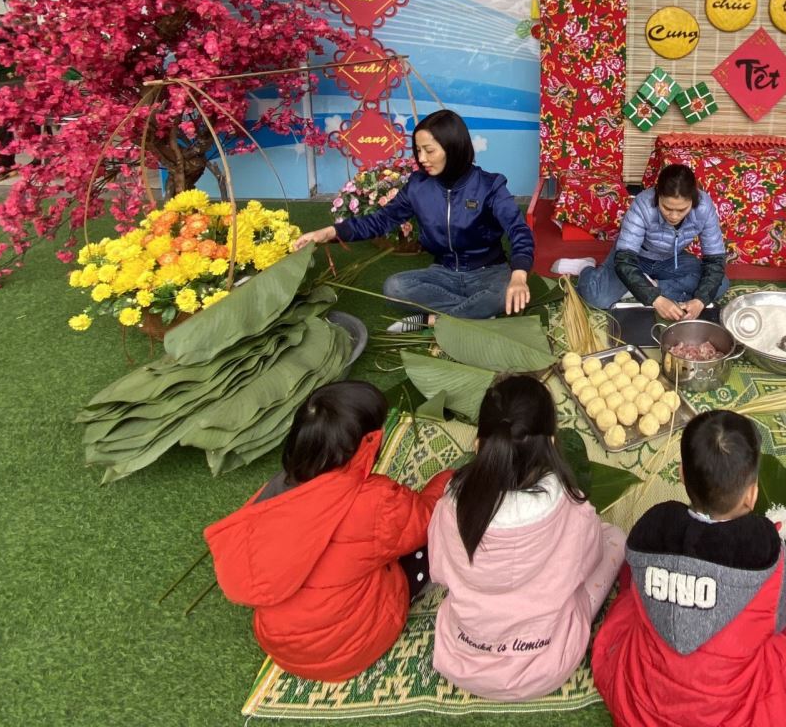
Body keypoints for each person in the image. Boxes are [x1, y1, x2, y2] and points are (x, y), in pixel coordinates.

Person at [203, 381, 451, 682]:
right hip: (349, 646)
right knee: (436, 536)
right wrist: (448, 479)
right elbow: (426, 518)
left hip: (284, 648)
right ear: (367, 443)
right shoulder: (374, 502)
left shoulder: (276, 491)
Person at [591, 410, 786, 727]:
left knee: (632, 585)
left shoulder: (653, 531)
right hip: (734, 711)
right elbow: (780, 619)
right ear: (752, 494)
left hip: (644, 702)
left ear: (681, 475)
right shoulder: (767, 552)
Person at [428, 375, 626, 700]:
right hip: (548, 663)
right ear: (551, 443)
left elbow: (439, 571)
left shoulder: (450, 507)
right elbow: (589, 561)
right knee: (614, 537)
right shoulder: (569, 507)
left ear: (478, 444)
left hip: (464, 658)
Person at [293, 110, 534, 323]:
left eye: (429, 150)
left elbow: (519, 231)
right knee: (395, 287)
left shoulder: (490, 186)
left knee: (504, 294)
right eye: (418, 150)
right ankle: (473, 314)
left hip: (489, 272)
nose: (422, 159)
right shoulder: (418, 186)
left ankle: (434, 320)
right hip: (444, 273)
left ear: (453, 147)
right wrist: (329, 232)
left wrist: (519, 276)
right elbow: (380, 221)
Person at [557, 163, 730, 318]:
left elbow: (715, 260)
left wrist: (700, 300)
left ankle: (645, 285)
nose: (674, 216)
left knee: (720, 284)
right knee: (597, 298)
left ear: (693, 200)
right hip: (636, 257)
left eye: (682, 210)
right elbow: (624, 260)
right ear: (658, 195)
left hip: (671, 259)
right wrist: (655, 299)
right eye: (667, 208)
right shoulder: (642, 204)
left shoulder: (704, 207)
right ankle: (586, 267)